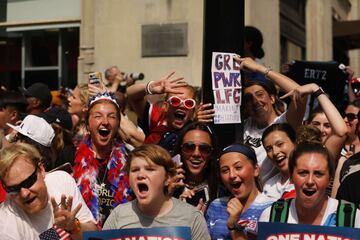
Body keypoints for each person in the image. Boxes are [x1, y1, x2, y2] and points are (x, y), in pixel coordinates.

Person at [103, 144, 210, 240]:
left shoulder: (192, 218)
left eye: (150, 169)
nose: (140, 175)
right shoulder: (119, 215)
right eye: (135, 170)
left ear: (168, 178)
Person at [0, 142, 97, 239]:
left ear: (41, 169)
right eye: (13, 189)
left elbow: (95, 234)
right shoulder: (5, 224)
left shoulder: (61, 181)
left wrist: (74, 227)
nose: (24, 194)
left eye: (28, 182)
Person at [233, 56, 307, 182]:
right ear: (245, 107)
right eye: (249, 99)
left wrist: (259, 68)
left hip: (274, 194)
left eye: (260, 94)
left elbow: (301, 93)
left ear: (272, 98)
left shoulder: (284, 123)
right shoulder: (241, 126)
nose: (255, 101)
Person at [259, 140, 360, 227]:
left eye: (318, 174)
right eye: (303, 173)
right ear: (291, 177)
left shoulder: (351, 218)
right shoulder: (271, 217)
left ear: (329, 179)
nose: (310, 181)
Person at [72, 92, 133, 227]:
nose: (105, 121)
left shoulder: (130, 159)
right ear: (88, 123)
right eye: (98, 116)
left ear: (118, 124)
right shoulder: (71, 157)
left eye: (112, 117)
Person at [206, 143, 273, 240]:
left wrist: (234, 226)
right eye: (225, 170)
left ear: (256, 170)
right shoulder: (215, 206)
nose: (232, 175)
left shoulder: (270, 208)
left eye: (238, 167)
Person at [172, 122, 219, 211]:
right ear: (180, 150)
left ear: (212, 153)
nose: (196, 154)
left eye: (204, 148)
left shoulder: (221, 189)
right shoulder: (167, 187)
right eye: (189, 147)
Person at [262, 123, 296, 200]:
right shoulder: (269, 185)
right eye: (269, 149)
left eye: (280, 144)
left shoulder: (307, 178)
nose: (275, 152)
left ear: (295, 143)